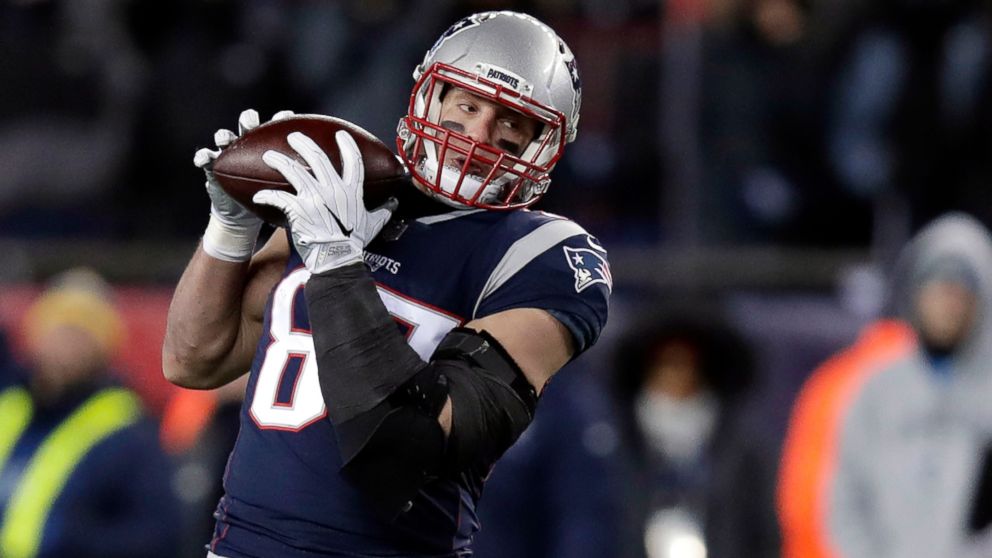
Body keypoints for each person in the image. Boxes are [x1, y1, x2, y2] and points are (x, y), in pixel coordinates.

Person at [162, 10, 611, 558]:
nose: (479, 134)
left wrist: (336, 261)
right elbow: (193, 360)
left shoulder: (542, 254)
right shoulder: (350, 188)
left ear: (544, 143)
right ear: (430, 96)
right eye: (467, 105)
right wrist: (230, 229)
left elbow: (408, 447)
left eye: (511, 122)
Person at [823, 212, 992, 557]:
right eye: (938, 289)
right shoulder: (877, 390)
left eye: (961, 293)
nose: (949, 305)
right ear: (916, 294)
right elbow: (844, 500)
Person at [0, 268, 179, 558]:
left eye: (80, 334)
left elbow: (157, 536)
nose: (65, 345)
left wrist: (67, 540)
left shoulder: (130, 430)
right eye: (57, 330)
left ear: (103, 347)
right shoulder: (11, 405)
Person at [611, 312, 780, 558]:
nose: (676, 376)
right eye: (665, 363)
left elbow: (765, 528)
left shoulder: (743, 446)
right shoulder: (613, 442)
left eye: (686, 364)